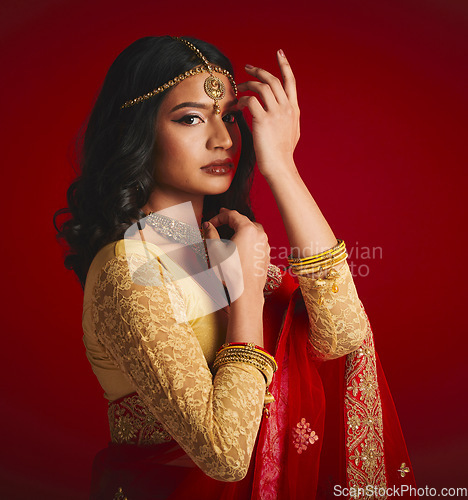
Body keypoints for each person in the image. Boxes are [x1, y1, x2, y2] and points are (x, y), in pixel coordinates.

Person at [54, 36, 416, 499]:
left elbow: (343, 334)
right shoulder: (130, 269)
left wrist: (282, 167)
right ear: (136, 130)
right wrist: (244, 291)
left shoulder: (210, 244)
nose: (223, 139)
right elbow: (225, 456)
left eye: (228, 116)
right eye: (191, 118)